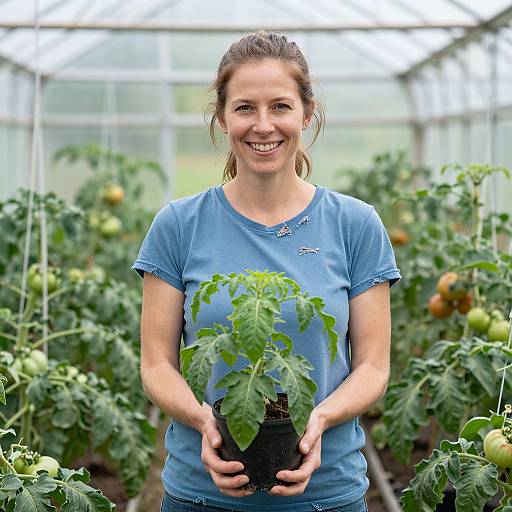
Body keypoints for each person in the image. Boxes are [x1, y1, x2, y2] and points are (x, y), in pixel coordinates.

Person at [132, 31, 400, 512]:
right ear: (221, 117)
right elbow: (155, 364)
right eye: (244, 108)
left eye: (279, 106)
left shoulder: (355, 224)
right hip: (200, 495)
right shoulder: (179, 225)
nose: (263, 126)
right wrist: (202, 421)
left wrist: (318, 419)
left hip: (327, 494)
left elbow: (374, 366)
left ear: (306, 114)